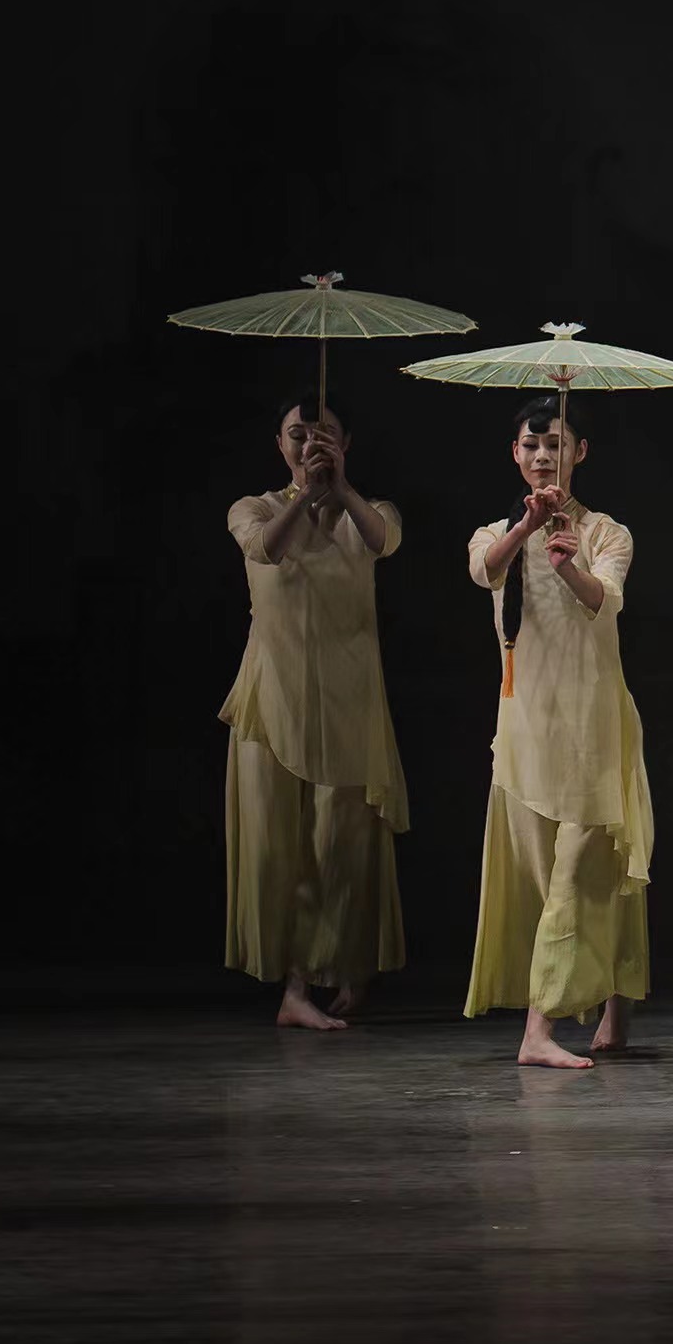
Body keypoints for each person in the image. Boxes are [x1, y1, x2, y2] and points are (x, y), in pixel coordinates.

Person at [462, 399, 651, 1067]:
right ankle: (616, 1004)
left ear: (580, 452)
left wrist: (568, 559)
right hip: (526, 729)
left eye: (556, 444)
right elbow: (485, 571)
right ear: (515, 454)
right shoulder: (493, 533)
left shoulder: (607, 533)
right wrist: (528, 527)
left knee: (582, 872)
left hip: (593, 727)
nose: (544, 455)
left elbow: (604, 600)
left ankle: (537, 1032)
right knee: (552, 881)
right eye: (532, 445)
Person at [223, 399, 407, 1029]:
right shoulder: (253, 508)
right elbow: (265, 550)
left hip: (348, 700)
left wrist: (341, 487)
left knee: (342, 846)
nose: (309, 444)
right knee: (282, 850)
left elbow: (384, 541)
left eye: (323, 435)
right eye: (298, 435)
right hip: (273, 698)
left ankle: (343, 965)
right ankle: (295, 990)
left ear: (345, 443)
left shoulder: (371, 510)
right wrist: (305, 493)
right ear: (279, 444)